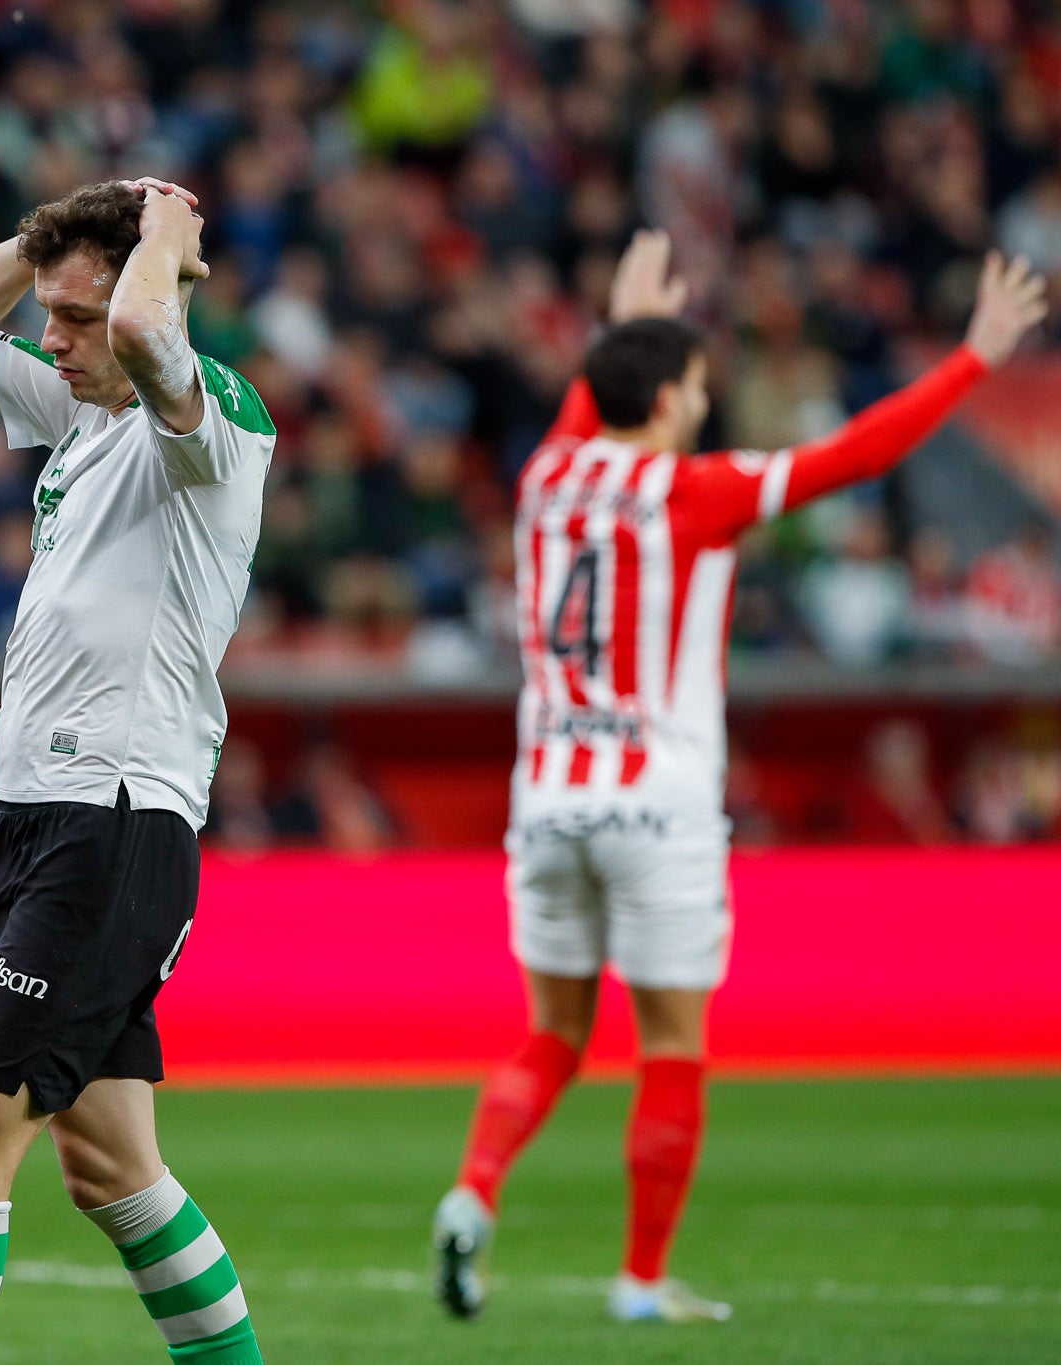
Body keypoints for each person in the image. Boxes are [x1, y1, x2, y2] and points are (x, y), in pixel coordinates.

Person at [430, 233, 1046, 1325]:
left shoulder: (544, 476)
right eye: (698, 388)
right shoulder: (690, 491)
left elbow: (588, 407)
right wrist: (972, 358)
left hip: (548, 797)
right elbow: (852, 457)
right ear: (666, 396)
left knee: (551, 1034)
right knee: (669, 1043)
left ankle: (473, 1191)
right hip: (655, 801)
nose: (705, 406)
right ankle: (639, 1279)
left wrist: (616, 330)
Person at [0, 177, 273, 1365]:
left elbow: (150, 331)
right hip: (42, 823)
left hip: (111, 822)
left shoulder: (204, 425)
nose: (52, 339)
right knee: (110, 1167)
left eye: (75, 318)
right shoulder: (79, 417)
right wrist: (43, 247)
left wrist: (164, 242)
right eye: (48, 315)